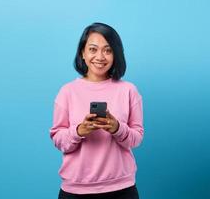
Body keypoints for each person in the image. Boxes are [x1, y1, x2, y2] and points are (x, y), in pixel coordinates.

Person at [50, 22, 144, 199]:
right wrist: (79, 131)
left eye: (108, 50)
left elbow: (136, 139)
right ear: (82, 53)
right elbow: (58, 139)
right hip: (75, 190)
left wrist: (117, 128)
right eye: (93, 49)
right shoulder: (67, 91)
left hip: (122, 189)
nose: (100, 56)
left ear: (116, 54)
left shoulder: (129, 90)